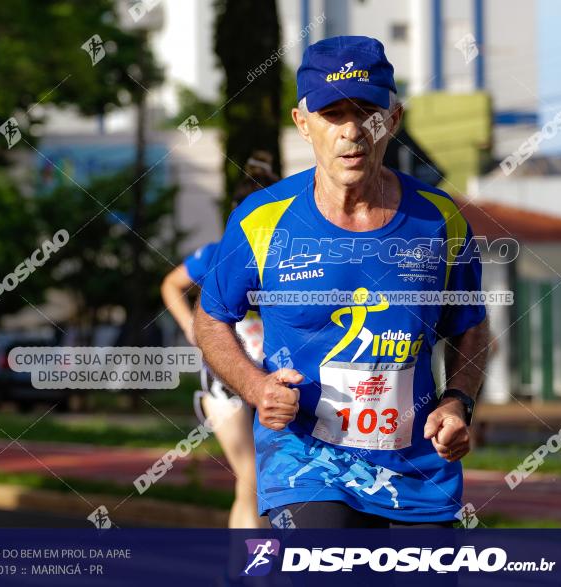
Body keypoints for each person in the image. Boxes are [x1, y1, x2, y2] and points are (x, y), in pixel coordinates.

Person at [194, 36, 489, 528]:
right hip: (306, 466)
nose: (352, 131)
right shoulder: (262, 221)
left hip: (417, 477)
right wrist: (254, 385)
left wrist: (458, 401)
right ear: (303, 124)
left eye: (367, 112)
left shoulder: (439, 220)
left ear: (392, 120)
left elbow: (471, 328)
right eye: (332, 114)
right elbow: (211, 318)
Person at [160, 152, 278, 529]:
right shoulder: (218, 254)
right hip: (224, 375)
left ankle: (241, 572)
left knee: (258, 482)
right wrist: (193, 331)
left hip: (275, 374)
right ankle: (251, 574)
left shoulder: (292, 257)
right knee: (252, 477)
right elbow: (171, 284)